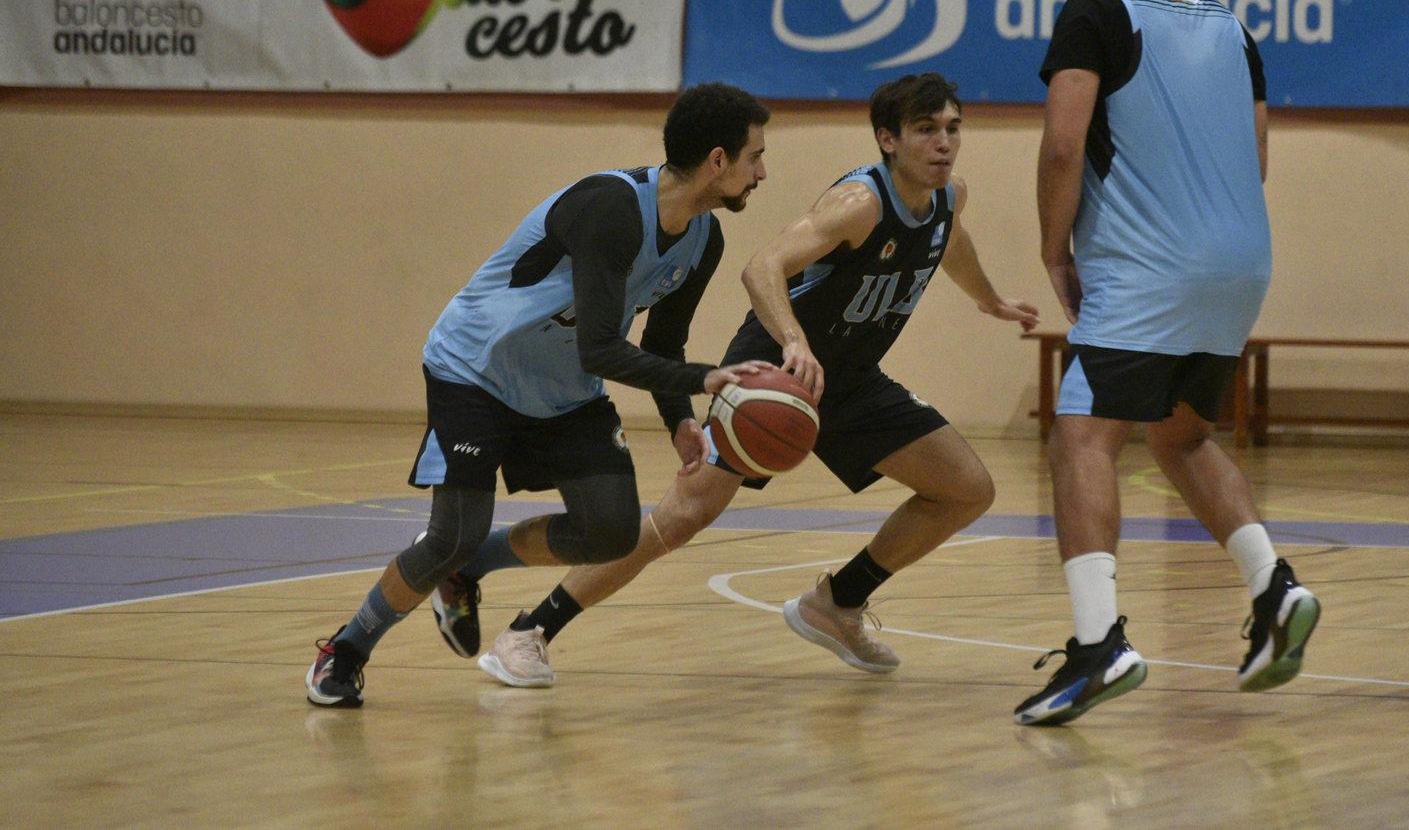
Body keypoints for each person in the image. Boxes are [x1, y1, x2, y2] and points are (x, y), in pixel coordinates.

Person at [435, 72, 1040, 686]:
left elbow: (948, 240)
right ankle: (531, 630)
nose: (943, 143)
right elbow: (762, 268)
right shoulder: (860, 202)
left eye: (952, 129)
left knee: (966, 488)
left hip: (851, 378)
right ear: (888, 139)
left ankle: (836, 603)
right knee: (681, 518)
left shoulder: (948, 196)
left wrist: (989, 299)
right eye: (925, 130)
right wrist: (795, 343)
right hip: (774, 373)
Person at [306, 83, 774, 708]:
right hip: (478, 368)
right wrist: (704, 378)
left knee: (609, 533)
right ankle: (346, 650)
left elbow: (665, 336)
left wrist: (680, 423)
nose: (762, 173)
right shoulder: (612, 207)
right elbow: (602, 349)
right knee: (452, 534)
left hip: (561, 388)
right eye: (755, 158)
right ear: (718, 161)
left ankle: (468, 570)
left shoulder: (702, 238)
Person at [1015, 0, 1321, 727]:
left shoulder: (1096, 14)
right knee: (1179, 435)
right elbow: (1255, 160)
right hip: (1240, 262)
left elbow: (1062, 146)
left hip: (1149, 263)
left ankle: (1096, 643)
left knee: (1079, 440)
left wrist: (1053, 249)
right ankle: (1272, 588)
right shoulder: (1231, 24)